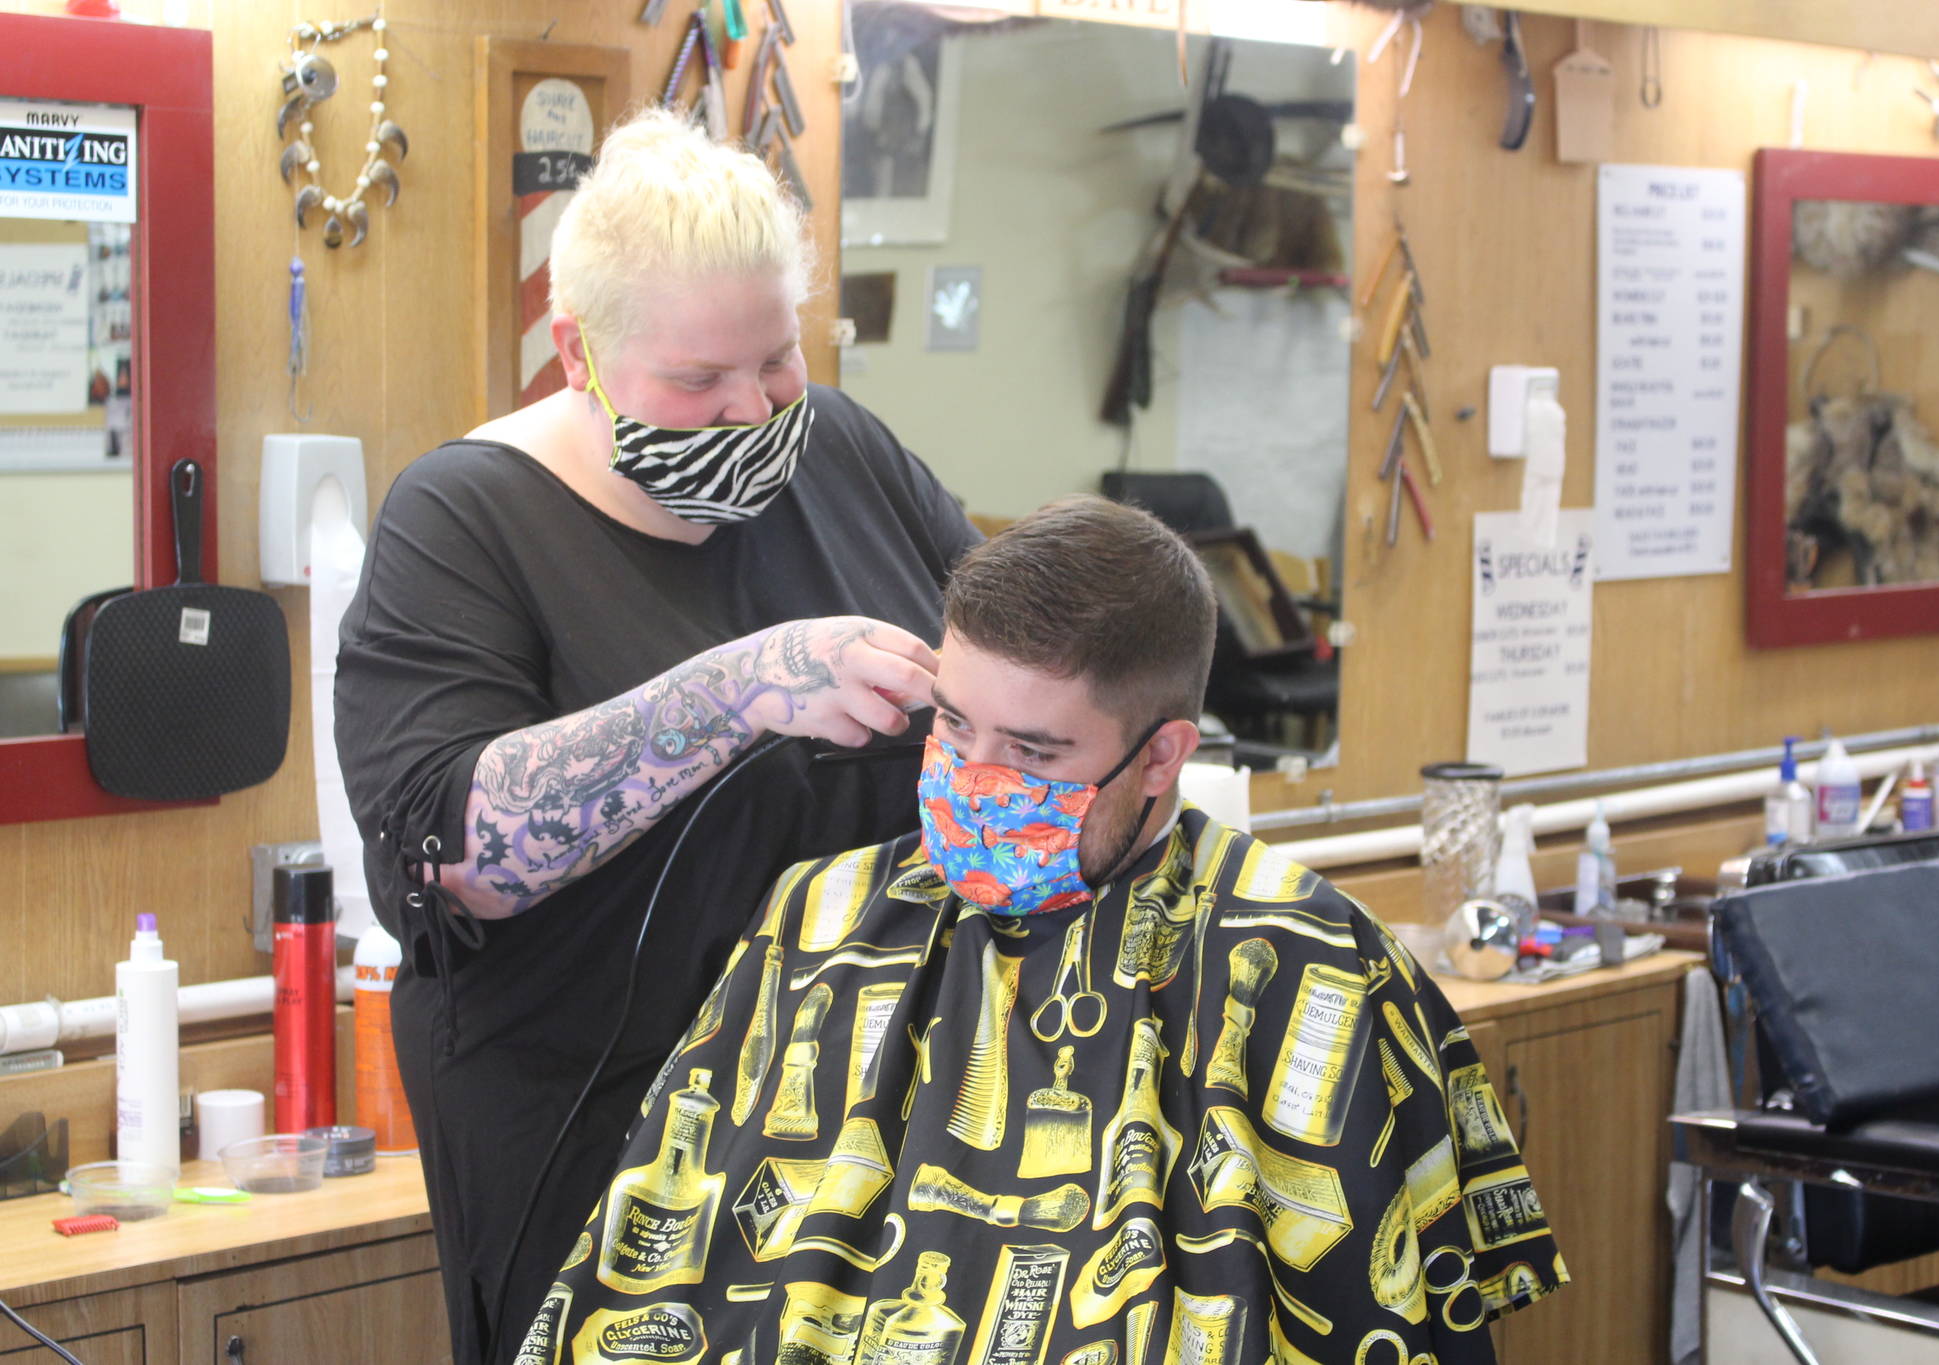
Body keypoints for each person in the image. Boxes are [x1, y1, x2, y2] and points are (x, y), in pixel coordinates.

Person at [524, 497, 1566, 1364]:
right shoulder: (825, 915)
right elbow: (657, 1280)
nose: (976, 782)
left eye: (1031, 752)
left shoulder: (1298, 959)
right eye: (950, 724)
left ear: (1160, 758)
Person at [334, 107, 979, 1365]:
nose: (750, 412)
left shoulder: (841, 449)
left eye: (776, 363)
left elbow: (1005, 656)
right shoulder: (462, 519)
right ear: (575, 350)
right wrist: (735, 691)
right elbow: (453, 848)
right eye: (696, 381)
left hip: (879, 1105)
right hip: (602, 1124)